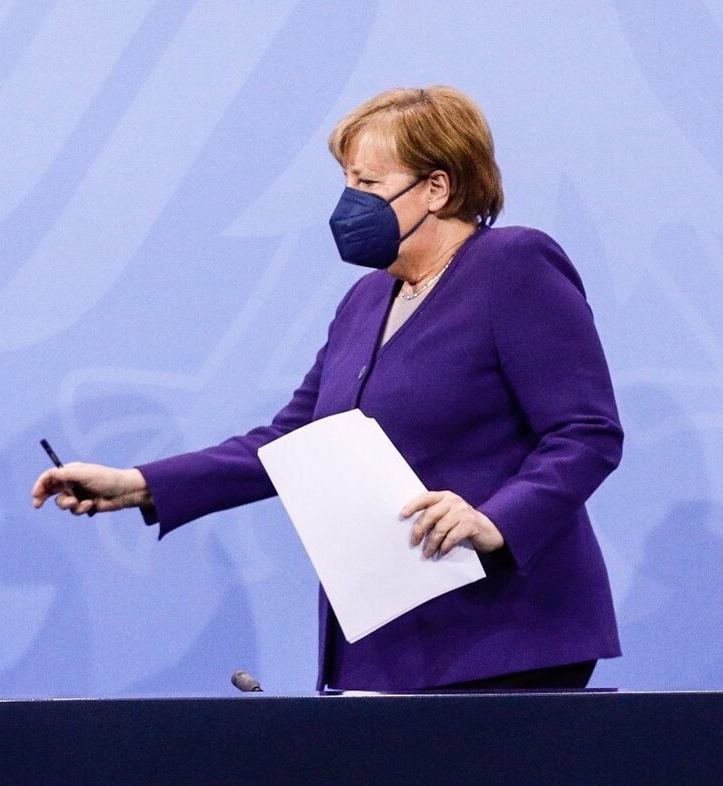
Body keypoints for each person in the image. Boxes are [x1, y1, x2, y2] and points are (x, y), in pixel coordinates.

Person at [31, 86, 622, 692]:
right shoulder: (366, 299)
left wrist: (495, 520)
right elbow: (292, 442)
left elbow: (586, 432)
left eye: (368, 183)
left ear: (437, 188)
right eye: (346, 182)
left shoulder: (513, 264)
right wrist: (136, 483)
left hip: (506, 632)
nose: (349, 203)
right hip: (388, 639)